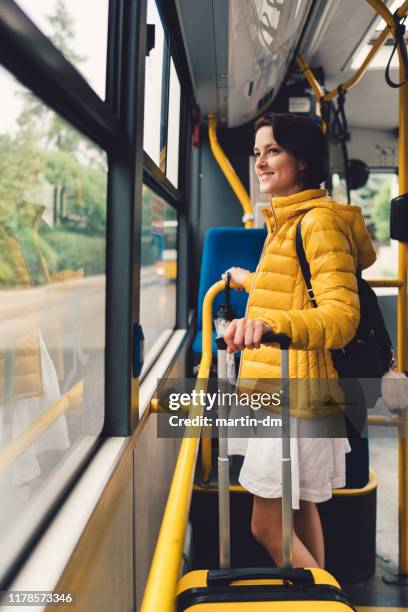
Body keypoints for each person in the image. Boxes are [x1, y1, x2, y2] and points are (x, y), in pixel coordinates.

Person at [223, 113, 376, 569]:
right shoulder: (288, 220)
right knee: (301, 507)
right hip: (295, 390)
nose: (262, 163)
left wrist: (272, 327)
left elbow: (341, 316)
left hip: (296, 396)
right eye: (257, 153)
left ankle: (321, 603)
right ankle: (320, 594)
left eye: (274, 151)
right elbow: (295, 288)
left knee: (266, 527)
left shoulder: (316, 223)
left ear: (304, 161)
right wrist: (249, 281)